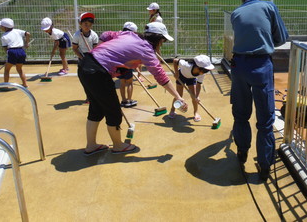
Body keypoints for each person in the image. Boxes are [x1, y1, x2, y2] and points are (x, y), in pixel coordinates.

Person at [78, 21, 187, 155]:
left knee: (96, 109)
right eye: (163, 40)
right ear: (158, 39)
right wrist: (178, 96)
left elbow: (106, 35)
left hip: (85, 65)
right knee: (113, 111)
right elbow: (161, 76)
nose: (162, 44)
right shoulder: (146, 49)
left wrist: (100, 52)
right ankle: (117, 145)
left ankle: (91, 145)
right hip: (98, 73)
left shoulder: (129, 34)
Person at [230, 0, 289, 181]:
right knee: (264, 120)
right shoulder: (269, 7)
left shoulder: (236, 13)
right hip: (261, 66)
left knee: (240, 113)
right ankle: (264, 166)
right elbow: (281, 38)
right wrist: (265, 41)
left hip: (238, 65)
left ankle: (241, 152)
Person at [169, 55, 214, 122]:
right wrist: (176, 72)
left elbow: (198, 85)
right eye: (205, 70)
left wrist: (197, 96)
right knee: (178, 95)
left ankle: (196, 113)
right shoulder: (186, 65)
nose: (205, 72)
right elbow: (175, 61)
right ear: (198, 67)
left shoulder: (202, 74)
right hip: (181, 76)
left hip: (191, 79)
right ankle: (172, 110)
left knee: (194, 97)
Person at [0, 18, 30, 89]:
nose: (0, 27)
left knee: (7, 69)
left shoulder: (4, 36)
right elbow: (28, 34)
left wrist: (8, 54)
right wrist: (27, 43)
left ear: (5, 27)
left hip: (12, 51)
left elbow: (5, 48)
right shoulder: (17, 31)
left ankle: (6, 86)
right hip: (21, 51)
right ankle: (25, 84)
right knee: (19, 69)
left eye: (1, 26)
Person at [119, 21, 138, 108]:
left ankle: (123, 100)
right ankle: (129, 100)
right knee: (129, 82)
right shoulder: (131, 41)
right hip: (127, 64)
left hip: (118, 64)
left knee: (122, 82)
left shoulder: (118, 37)